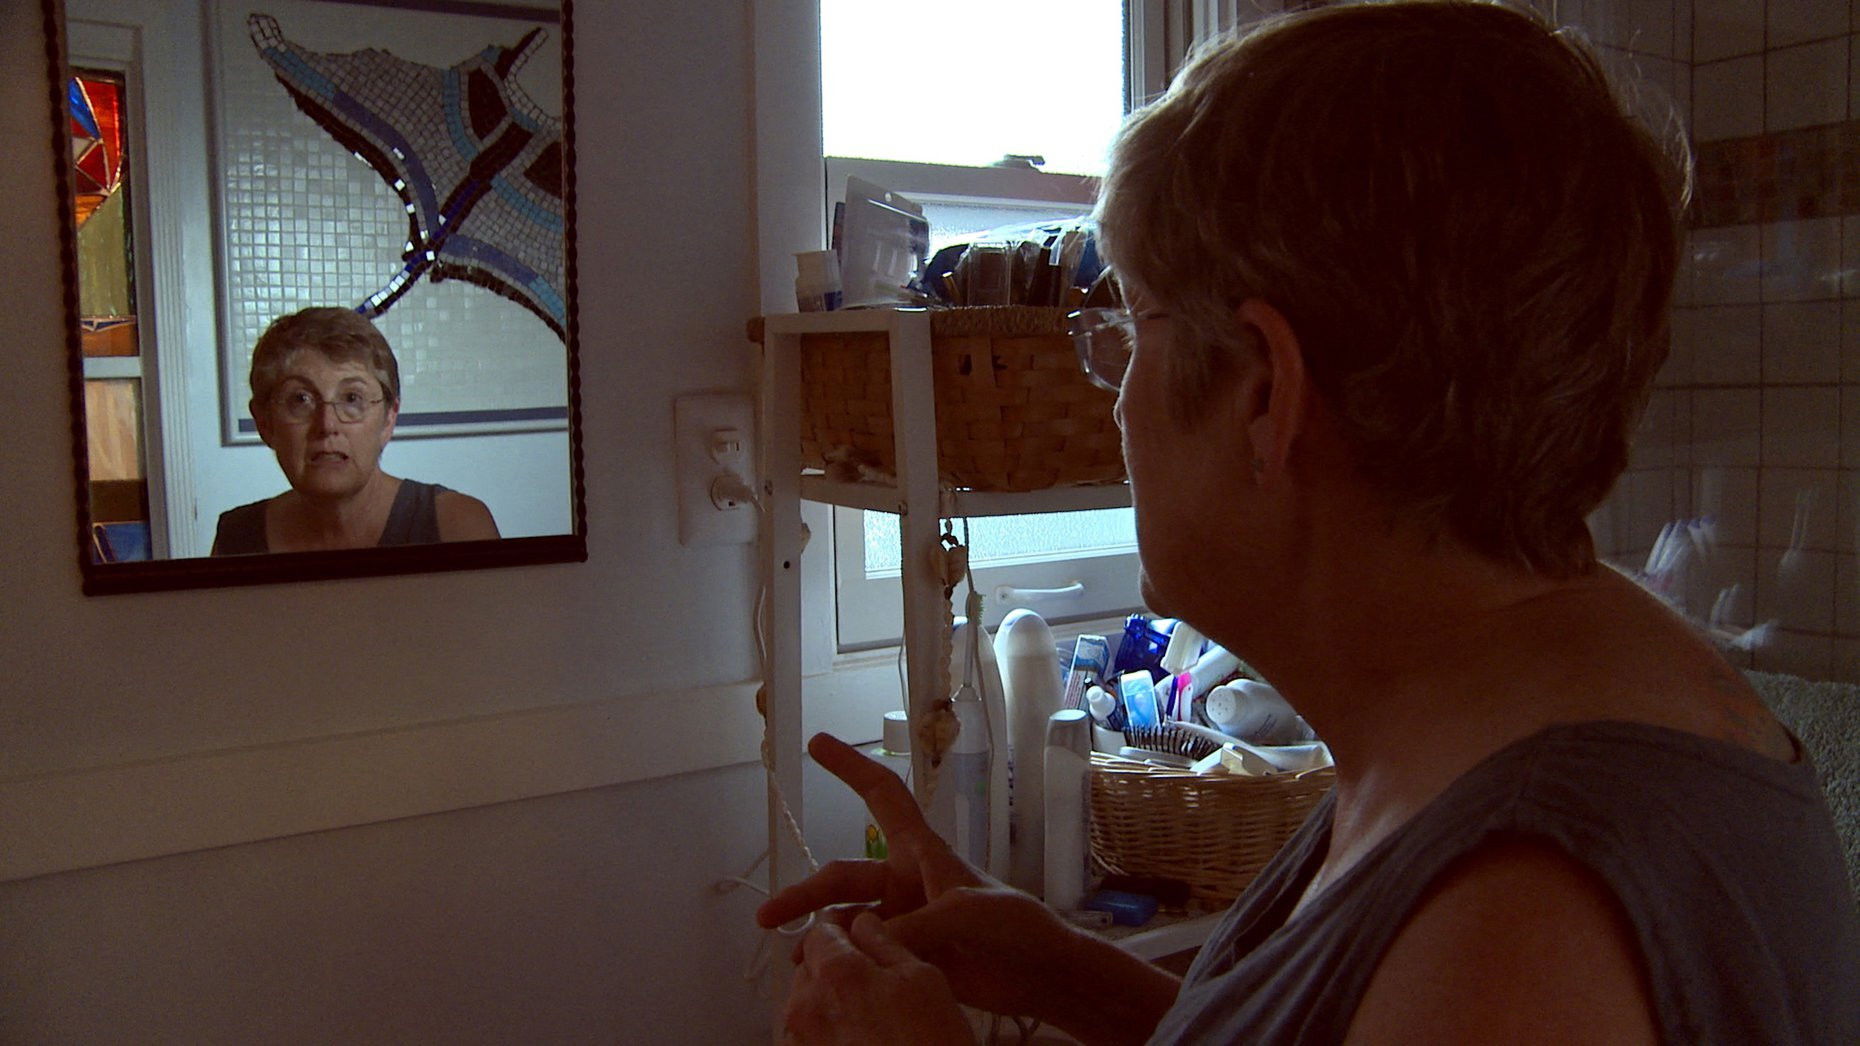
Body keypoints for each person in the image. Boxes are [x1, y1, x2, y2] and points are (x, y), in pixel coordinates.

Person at [757, 2, 1860, 1043]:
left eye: (1131, 332)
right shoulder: (1489, 697)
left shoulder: (1527, 932)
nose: (1118, 397)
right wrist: (1068, 973)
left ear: (1265, 394)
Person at [211, 307, 500, 554]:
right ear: (264, 423)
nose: (327, 425)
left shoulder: (457, 526)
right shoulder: (237, 537)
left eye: (352, 398)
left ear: (388, 419)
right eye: (301, 399)